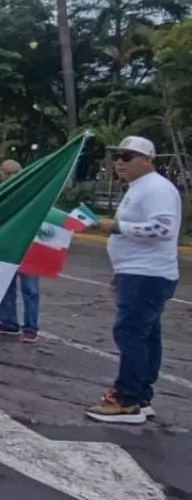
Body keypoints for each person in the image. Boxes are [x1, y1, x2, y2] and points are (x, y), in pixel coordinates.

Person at [86, 136, 183, 424]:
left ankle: (126, 400)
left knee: (131, 334)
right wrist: (121, 269)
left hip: (147, 274)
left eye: (127, 157)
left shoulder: (155, 188)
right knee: (146, 336)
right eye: (117, 156)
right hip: (139, 272)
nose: (119, 162)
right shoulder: (140, 188)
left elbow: (163, 229)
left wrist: (118, 226)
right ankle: (140, 397)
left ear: (148, 160)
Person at [0, 160, 39, 343]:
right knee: (4, 287)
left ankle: (31, 327)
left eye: (14, 173)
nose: (11, 177)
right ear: (1, 174)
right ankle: (9, 323)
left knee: (30, 290)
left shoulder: (34, 193)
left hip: (28, 249)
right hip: (6, 249)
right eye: (7, 173)